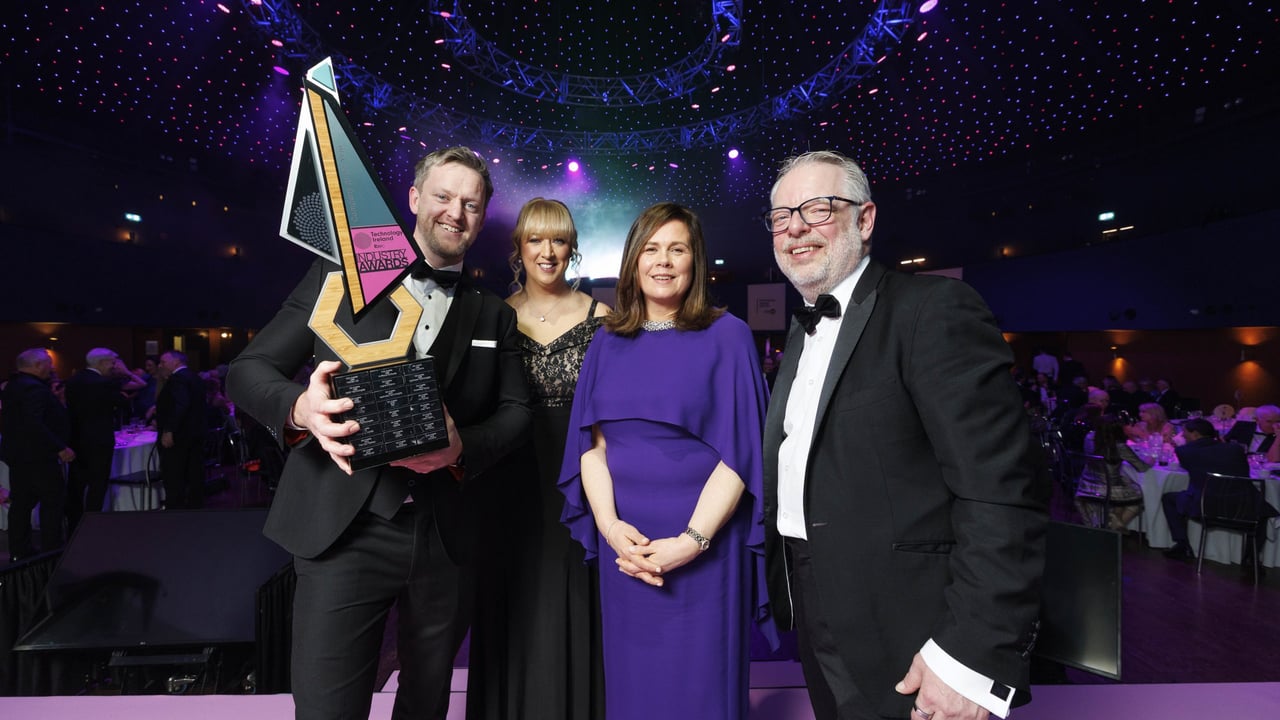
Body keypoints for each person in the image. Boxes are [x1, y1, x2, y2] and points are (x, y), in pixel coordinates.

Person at [226, 146, 531, 720]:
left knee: (426, 706)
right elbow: (247, 371)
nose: (455, 213)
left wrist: (461, 448)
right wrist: (301, 409)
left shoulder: (494, 314)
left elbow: (516, 415)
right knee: (328, 708)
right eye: (443, 197)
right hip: (344, 529)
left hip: (445, 534)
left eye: (470, 203)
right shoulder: (337, 272)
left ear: (483, 215)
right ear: (415, 200)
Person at [760, 151, 1047, 720]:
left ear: (865, 221)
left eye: (817, 209)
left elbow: (1002, 493)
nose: (794, 227)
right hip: (815, 599)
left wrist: (970, 656)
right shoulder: (800, 334)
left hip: (915, 625)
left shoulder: (933, 310)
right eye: (779, 216)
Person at [558, 202, 774, 720]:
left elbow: (741, 456)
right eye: (651, 249)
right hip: (628, 551)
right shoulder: (606, 342)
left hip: (706, 545)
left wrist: (692, 541)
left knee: (704, 687)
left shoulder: (730, 336)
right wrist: (611, 530)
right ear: (634, 261)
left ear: (695, 261)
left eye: (677, 249)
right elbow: (594, 451)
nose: (663, 261)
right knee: (635, 688)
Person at [467, 198, 609, 720]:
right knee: (513, 599)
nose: (547, 252)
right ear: (518, 249)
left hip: (581, 476)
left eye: (558, 240)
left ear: (572, 248)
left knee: (575, 595)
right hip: (506, 481)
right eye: (535, 240)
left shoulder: (604, 319)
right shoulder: (492, 316)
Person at [1, 348, 73, 561]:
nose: (52, 368)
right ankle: (51, 551)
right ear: (38, 365)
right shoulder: (34, 389)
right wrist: (59, 447)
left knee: (21, 503)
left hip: (18, 456)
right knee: (52, 502)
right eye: (49, 363)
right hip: (38, 456)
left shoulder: (12, 385)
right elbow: (33, 423)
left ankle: (19, 551)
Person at [65, 347, 145, 533]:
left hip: (76, 439)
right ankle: (92, 525)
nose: (114, 366)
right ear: (101, 363)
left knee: (76, 485)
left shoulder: (73, 380)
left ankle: (73, 526)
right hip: (99, 440)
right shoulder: (103, 383)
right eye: (112, 362)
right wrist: (125, 373)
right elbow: (126, 400)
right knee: (97, 484)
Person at [1162, 419, 1250, 561]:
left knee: (1168, 498)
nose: (1183, 437)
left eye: (1185, 435)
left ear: (1195, 434)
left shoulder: (1184, 451)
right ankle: (1251, 557)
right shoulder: (1235, 449)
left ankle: (1182, 545)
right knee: (1261, 510)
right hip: (1243, 507)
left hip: (1205, 507)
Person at [155, 349, 208, 509]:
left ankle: (174, 512)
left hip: (180, 435)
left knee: (174, 475)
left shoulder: (178, 379)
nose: (160, 365)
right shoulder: (195, 378)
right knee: (194, 473)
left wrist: (169, 429)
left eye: (164, 362)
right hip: (195, 433)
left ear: (176, 362)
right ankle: (194, 510)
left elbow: (180, 404)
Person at [1076, 414, 1146, 530]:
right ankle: (1114, 529)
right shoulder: (1119, 446)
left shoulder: (1088, 438)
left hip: (1085, 487)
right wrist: (1151, 460)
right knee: (1139, 496)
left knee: (1125, 483)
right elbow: (1142, 467)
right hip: (1107, 490)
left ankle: (1113, 520)